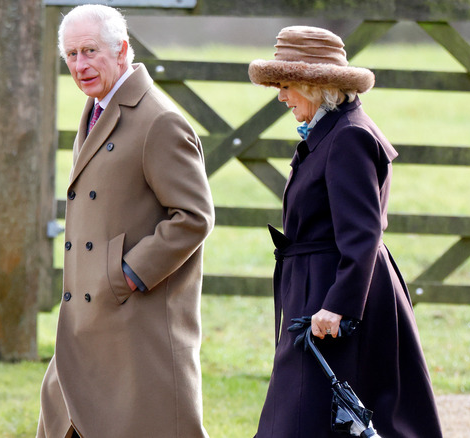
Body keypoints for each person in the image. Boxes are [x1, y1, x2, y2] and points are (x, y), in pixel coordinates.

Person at [248, 26, 443, 437]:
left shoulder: (348, 136)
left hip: (335, 296)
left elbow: (362, 232)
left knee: (310, 419)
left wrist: (338, 306)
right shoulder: (332, 130)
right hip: (321, 288)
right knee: (306, 417)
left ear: (313, 84)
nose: (281, 96)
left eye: (286, 85)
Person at [36, 5, 214, 438]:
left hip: (135, 323)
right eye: (72, 55)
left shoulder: (159, 120)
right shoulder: (97, 108)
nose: (80, 65)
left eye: (90, 51)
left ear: (122, 50)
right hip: (89, 318)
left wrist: (128, 273)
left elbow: (194, 216)